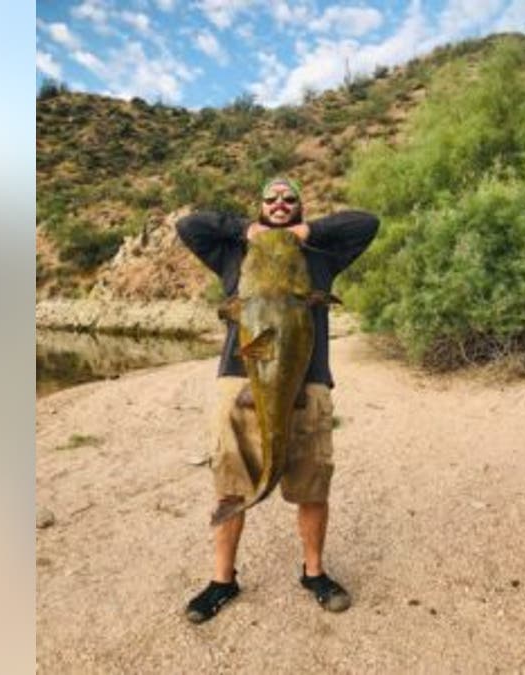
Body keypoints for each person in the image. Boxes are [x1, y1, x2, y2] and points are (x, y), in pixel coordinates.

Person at [175, 177, 379, 624]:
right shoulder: (233, 252)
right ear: (260, 206)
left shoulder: (319, 256)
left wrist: (310, 233)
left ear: (300, 207)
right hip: (240, 376)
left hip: (309, 383)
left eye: (289, 199)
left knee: (312, 483)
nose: (280, 204)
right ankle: (222, 580)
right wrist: (244, 230)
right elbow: (190, 225)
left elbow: (367, 223)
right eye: (272, 198)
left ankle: (314, 572)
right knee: (231, 480)